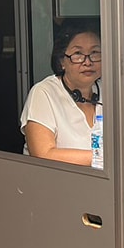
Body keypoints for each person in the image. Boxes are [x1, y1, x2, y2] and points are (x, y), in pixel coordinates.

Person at [20, 23, 103, 166]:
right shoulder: (43, 93)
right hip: (55, 179)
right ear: (61, 61)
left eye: (95, 53)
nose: (87, 62)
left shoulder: (110, 91)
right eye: (78, 54)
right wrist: (105, 158)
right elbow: (43, 154)